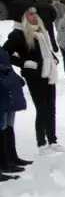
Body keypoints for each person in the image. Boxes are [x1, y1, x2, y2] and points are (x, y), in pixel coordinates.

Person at [3, 6, 63, 152]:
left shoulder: (39, 31)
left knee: (51, 108)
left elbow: (47, 51)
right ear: (23, 17)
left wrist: (54, 59)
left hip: (48, 73)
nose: (34, 16)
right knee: (41, 109)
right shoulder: (18, 34)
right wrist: (24, 63)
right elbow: (4, 53)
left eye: (36, 13)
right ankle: (41, 142)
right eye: (30, 14)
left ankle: (52, 140)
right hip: (34, 76)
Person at [0, 49, 30, 180]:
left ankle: (11, 157)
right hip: (3, 89)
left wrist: (15, 79)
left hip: (7, 90)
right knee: (2, 126)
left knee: (8, 125)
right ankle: (4, 162)